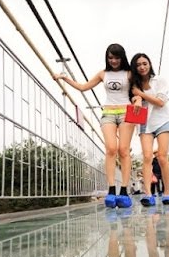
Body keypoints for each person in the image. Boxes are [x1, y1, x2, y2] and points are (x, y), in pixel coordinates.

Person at [54, 43, 135, 208]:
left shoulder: (129, 73)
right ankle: (112, 189)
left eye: (117, 57)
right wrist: (65, 78)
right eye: (110, 57)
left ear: (122, 57)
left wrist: (139, 100)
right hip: (108, 113)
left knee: (124, 151)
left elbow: (138, 91)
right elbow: (83, 87)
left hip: (128, 113)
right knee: (111, 148)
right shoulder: (102, 74)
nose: (113, 61)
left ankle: (124, 190)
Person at [129, 53, 169, 206]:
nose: (142, 67)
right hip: (144, 123)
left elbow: (160, 102)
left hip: (162, 120)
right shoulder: (134, 85)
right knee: (147, 157)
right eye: (138, 65)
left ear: (149, 64)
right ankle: (148, 194)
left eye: (144, 63)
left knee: (162, 156)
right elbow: (133, 99)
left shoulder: (159, 81)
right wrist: (136, 98)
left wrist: (140, 94)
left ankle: (167, 193)